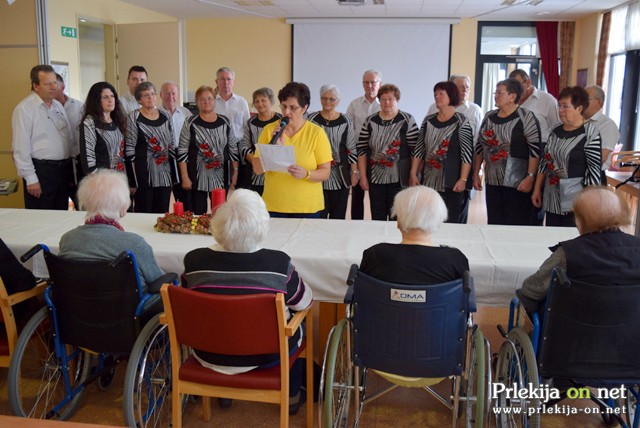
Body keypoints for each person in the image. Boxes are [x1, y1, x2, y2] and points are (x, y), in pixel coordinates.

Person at [182, 189, 313, 414]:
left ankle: (224, 393)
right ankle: (292, 396)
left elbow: (188, 302)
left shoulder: (194, 261)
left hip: (207, 352)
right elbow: (305, 303)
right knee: (298, 324)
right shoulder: (278, 264)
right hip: (267, 356)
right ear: (262, 224)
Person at [58, 169, 168, 313]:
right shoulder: (134, 244)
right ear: (123, 206)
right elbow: (158, 280)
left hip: (80, 311)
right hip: (130, 312)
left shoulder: (67, 240)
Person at [518, 186, 640, 313]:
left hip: (572, 323)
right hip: (630, 323)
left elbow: (532, 290)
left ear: (581, 221)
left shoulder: (567, 254)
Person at [252, 82, 332, 218]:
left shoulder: (316, 133)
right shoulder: (269, 130)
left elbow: (325, 173)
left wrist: (306, 173)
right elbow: (257, 170)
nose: (286, 112)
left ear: (304, 108)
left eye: (293, 108)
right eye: (284, 106)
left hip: (307, 207)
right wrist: (272, 148)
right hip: (274, 205)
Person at [360, 185, 469, 284]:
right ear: (438, 221)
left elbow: (361, 291)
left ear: (398, 222)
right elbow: (465, 295)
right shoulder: (455, 260)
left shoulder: (374, 256)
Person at [472, 78, 543, 225]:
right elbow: (479, 146)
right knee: (494, 222)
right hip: (492, 179)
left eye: (500, 93)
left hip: (518, 181)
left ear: (512, 96)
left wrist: (530, 177)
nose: (496, 96)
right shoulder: (489, 117)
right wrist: (476, 173)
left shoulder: (526, 117)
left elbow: (535, 150)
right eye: (495, 93)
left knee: (515, 223)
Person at [532, 86, 602, 227]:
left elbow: (594, 170)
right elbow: (544, 162)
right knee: (552, 236)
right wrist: (537, 189)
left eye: (565, 106)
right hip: (552, 196)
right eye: (559, 106)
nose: (560, 110)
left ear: (579, 108)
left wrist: (590, 202)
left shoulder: (590, 134)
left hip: (576, 200)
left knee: (572, 236)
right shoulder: (555, 131)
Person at [12, 64, 75, 210]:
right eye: (48, 84)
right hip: (42, 172)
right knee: (42, 216)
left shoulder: (58, 106)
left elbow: (69, 139)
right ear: (36, 86)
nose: (53, 87)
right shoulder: (24, 109)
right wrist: (31, 179)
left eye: (55, 82)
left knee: (60, 214)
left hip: (62, 170)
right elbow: (21, 148)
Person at [411, 81, 473, 223]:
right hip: (430, 179)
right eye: (435, 94)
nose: (437, 97)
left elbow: (467, 153)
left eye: (441, 94)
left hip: (452, 181)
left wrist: (463, 179)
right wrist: (413, 173)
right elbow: (419, 149)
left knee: (450, 220)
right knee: (429, 219)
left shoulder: (461, 121)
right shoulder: (428, 121)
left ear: (451, 96)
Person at [357, 83, 419, 221]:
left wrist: (413, 174)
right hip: (375, 178)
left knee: (397, 215)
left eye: (390, 99)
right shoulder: (370, 121)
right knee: (377, 215)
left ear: (397, 100)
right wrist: (362, 176)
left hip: (400, 178)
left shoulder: (407, 120)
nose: (387, 102)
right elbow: (361, 149)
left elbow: (416, 150)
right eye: (383, 99)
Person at [177, 85, 239, 214]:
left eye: (210, 98)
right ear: (197, 102)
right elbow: (182, 151)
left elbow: (233, 149)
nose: (206, 102)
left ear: (215, 100)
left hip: (221, 177)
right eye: (202, 99)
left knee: (220, 214)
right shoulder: (190, 122)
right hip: (196, 177)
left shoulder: (225, 121)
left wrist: (235, 172)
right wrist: (184, 177)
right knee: (198, 214)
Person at [125, 81, 178, 213]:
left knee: (162, 212)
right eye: (146, 95)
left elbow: (171, 146)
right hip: (143, 174)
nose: (151, 97)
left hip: (164, 174)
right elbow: (129, 149)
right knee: (144, 213)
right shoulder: (134, 117)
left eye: (153, 94)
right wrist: (132, 180)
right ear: (139, 99)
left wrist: (174, 176)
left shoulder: (165, 115)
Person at [308, 84, 358, 219]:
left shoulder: (345, 120)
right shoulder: (311, 119)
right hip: (317, 174)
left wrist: (354, 173)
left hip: (340, 176)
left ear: (338, 101)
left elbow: (351, 149)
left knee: (338, 217)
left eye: (331, 99)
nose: (327, 102)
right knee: (319, 216)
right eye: (324, 98)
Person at [346, 69, 382, 220]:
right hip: (358, 153)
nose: (370, 85)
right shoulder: (354, 104)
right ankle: (356, 225)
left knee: (377, 195)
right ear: (362, 84)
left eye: (373, 82)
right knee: (357, 194)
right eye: (366, 82)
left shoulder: (385, 104)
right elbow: (348, 130)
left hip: (378, 155)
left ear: (380, 84)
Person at [240, 87, 282, 195]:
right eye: (257, 101)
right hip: (256, 172)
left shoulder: (281, 120)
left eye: (263, 100)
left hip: (277, 172)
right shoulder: (250, 123)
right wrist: (257, 162)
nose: (260, 104)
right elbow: (244, 146)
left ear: (271, 101)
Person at [79, 82, 127, 175]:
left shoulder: (117, 119)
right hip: (101, 178)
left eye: (112, 96)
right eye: (105, 97)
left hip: (119, 176)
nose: (110, 100)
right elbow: (88, 159)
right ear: (96, 100)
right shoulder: (90, 122)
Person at [214, 67, 250, 187]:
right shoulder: (211, 102)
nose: (226, 82)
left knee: (240, 183)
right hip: (218, 148)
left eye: (229, 79)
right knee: (220, 184)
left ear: (234, 82)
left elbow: (247, 127)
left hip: (238, 146)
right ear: (216, 81)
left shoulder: (241, 102)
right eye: (222, 79)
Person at [159, 81, 192, 203]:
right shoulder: (156, 113)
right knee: (163, 194)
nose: (170, 96)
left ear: (177, 95)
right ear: (161, 95)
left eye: (173, 93)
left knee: (184, 195)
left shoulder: (186, 113)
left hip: (182, 156)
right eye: (167, 93)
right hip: (163, 157)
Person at [425, 74, 484, 139]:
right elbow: (426, 132)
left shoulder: (475, 110)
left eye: (467, 87)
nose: (465, 90)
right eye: (461, 87)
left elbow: (479, 137)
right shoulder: (434, 107)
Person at [509, 69, 560, 135]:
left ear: (528, 83)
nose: (514, 90)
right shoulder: (509, 100)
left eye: (517, 86)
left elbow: (557, 128)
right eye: (511, 87)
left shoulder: (547, 100)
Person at [584, 85, 620, 173]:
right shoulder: (578, 122)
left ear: (598, 102)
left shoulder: (608, 125)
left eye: (585, 99)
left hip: (593, 175)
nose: (581, 103)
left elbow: (601, 158)